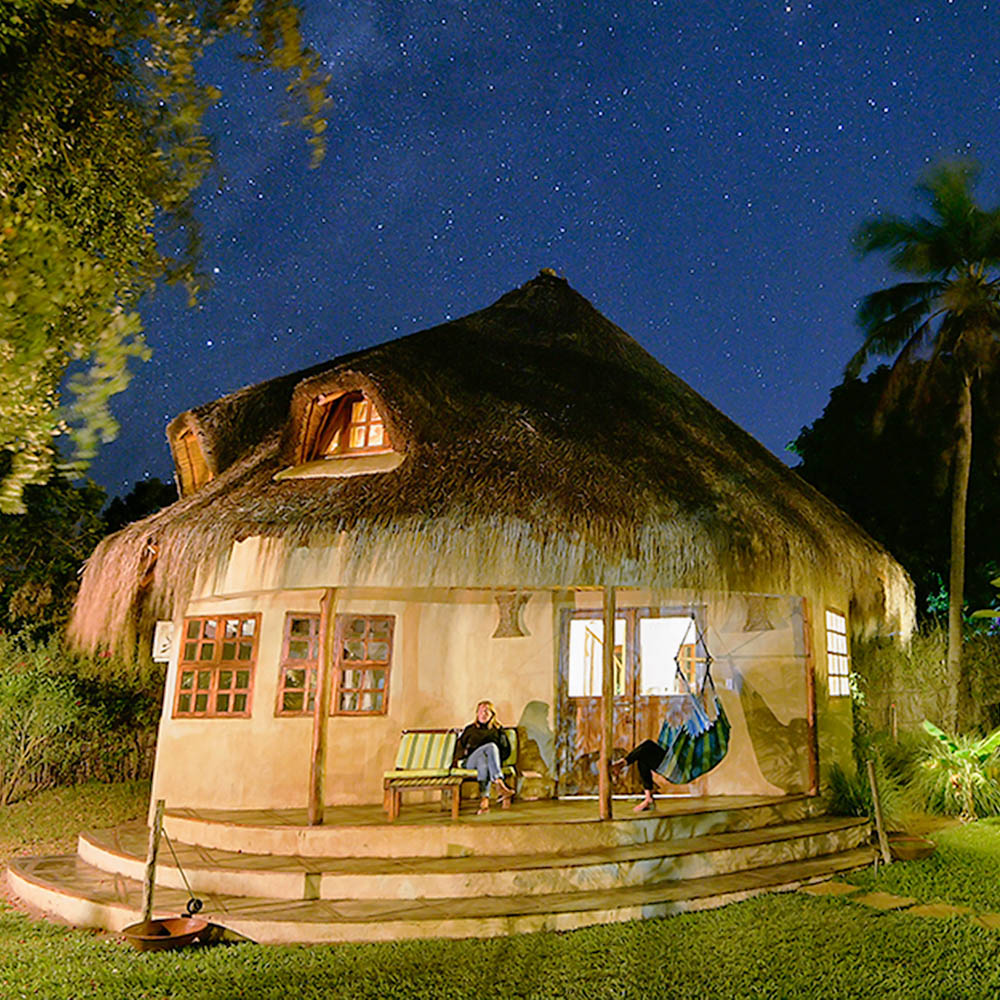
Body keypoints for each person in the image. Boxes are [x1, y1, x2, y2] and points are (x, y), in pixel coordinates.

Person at [454, 700, 515, 814]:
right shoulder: (470, 729)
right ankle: (499, 783)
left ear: (492, 714)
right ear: (477, 714)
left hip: (486, 763)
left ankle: (484, 802)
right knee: (490, 747)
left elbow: (506, 750)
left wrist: (494, 760)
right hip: (470, 761)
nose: (483, 714)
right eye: (481, 711)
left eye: (487, 711)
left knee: (484, 761)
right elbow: (459, 748)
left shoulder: (497, 730)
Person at [610, 741, 667, 813]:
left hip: (675, 764)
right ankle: (648, 798)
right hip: (668, 758)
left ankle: (622, 763)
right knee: (646, 749)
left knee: (645, 750)